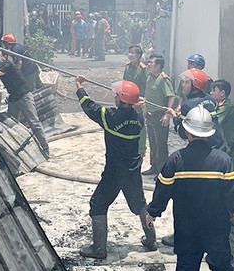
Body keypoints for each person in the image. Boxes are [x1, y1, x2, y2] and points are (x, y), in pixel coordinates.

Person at [145, 106, 234, 271]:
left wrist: (153, 212)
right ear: (210, 133)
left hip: (186, 229)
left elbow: (162, 191)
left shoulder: (176, 160)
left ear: (187, 132)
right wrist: (233, 212)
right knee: (222, 268)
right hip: (216, 228)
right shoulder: (223, 161)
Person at [74, 76, 157, 259]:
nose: (114, 98)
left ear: (120, 98)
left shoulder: (110, 116)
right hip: (132, 170)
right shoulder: (138, 118)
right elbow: (136, 111)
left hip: (114, 172)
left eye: (116, 95)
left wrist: (80, 87)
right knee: (140, 206)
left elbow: (90, 107)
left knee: (98, 205)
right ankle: (151, 240)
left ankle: (99, 249)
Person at [141, 54, 178, 175]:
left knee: (161, 144)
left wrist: (167, 114)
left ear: (158, 66)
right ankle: (154, 166)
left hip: (159, 116)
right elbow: (147, 93)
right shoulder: (150, 77)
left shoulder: (164, 79)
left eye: (151, 63)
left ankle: (162, 170)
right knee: (152, 142)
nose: (148, 64)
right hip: (150, 114)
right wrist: (145, 107)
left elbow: (171, 96)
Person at [124, 45, 149, 159]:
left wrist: (145, 101)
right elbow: (124, 82)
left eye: (132, 53)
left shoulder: (143, 69)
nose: (130, 55)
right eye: (129, 52)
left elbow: (147, 86)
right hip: (127, 100)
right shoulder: (128, 67)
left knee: (140, 124)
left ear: (138, 55)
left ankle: (141, 148)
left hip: (138, 100)